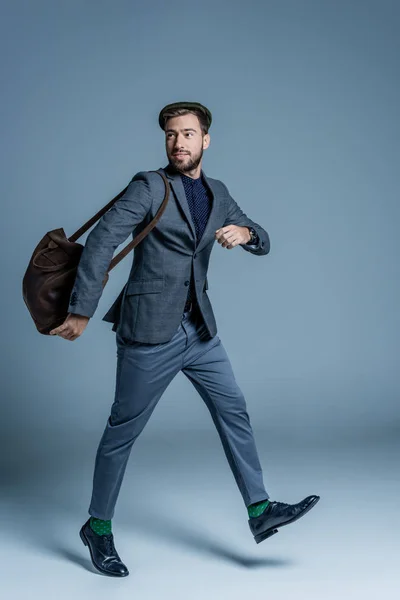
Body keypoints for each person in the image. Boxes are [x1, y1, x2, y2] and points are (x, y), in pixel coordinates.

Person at [50, 101, 320, 577]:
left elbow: (263, 238)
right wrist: (81, 310)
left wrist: (245, 231)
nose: (179, 143)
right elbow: (101, 242)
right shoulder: (148, 187)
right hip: (150, 331)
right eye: (172, 135)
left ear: (206, 140)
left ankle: (260, 511)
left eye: (188, 134)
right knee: (123, 431)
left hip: (199, 330)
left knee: (233, 408)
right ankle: (98, 527)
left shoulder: (218, 192)